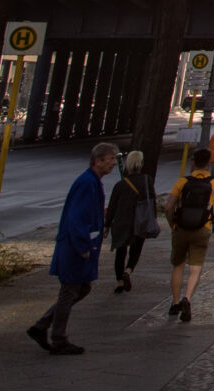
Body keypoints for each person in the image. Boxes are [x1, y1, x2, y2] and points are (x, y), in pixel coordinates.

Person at [29, 140, 116, 355]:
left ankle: (42, 326)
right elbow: (77, 218)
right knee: (70, 291)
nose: (114, 163)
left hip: (80, 244)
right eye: (111, 159)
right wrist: (83, 246)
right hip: (75, 247)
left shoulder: (92, 181)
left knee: (81, 288)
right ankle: (58, 339)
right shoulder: (88, 183)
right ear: (98, 160)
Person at [165, 144, 214, 323]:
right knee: (195, 268)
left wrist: (173, 223)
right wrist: (210, 218)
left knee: (178, 265)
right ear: (208, 163)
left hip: (181, 228)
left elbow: (168, 207)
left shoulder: (182, 182)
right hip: (202, 229)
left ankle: (175, 302)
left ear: (193, 163)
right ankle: (188, 298)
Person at [105, 149, 153, 293]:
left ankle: (120, 282)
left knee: (121, 251)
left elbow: (112, 206)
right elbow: (152, 201)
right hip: (140, 221)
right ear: (141, 164)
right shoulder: (147, 181)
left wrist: (106, 225)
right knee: (136, 250)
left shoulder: (121, 185)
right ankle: (128, 270)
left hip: (122, 222)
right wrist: (152, 219)